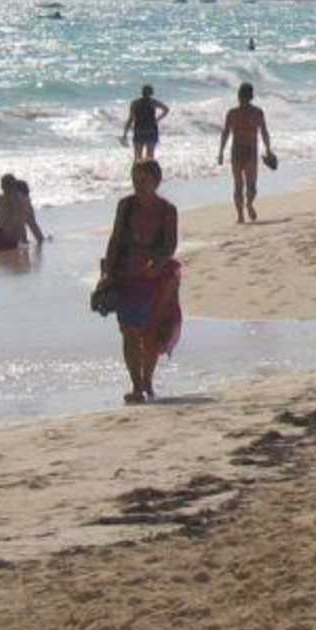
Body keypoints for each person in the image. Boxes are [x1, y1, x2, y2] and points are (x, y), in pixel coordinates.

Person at [102, 160, 180, 404]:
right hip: (126, 274)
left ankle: (147, 381)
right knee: (128, 332)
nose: (138, 185)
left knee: (150, 332)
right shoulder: (125, 206)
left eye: (144, 180)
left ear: (156, 181)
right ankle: (136, 385)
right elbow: (115, 239)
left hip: (155, 278)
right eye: (135, 180)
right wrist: (107, 273)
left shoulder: (167, 210)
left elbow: (170, 245)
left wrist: (155, 263)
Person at [218, 82, 274, 224]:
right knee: (250, 185)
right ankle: (247, 206)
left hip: (237, 151)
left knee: (239, 185)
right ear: (251, 96)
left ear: (238, 95)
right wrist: (268, 149)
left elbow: (225, 134)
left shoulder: (233, 113)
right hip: (249, 151)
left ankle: (241, 214)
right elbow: (264, 133)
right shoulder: (257, 113)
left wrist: (221, 152)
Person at [122, 84, 169, 159]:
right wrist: (157, 119)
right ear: (151, 93)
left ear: (142, 92)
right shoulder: (153, 102)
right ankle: (148, 167)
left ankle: (139, 167)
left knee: (138, 157)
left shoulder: (135, 103)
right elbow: (166, 109)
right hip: (151, 129)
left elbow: (130, 119)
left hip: (139, 130)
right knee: (150, 157)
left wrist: (125, 134)